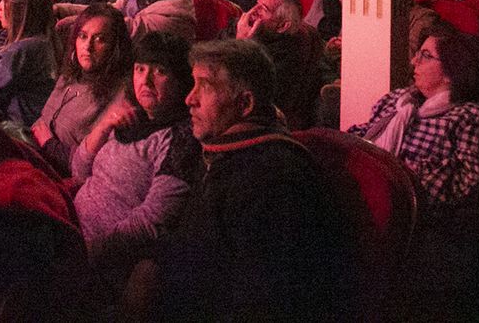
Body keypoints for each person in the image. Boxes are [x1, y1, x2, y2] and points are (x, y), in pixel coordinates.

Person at [147, 38, 345, 323]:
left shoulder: (275, 180)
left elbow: (264, 302)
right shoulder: (223, 152)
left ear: (246, 103)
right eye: (193, 84)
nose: (190, 99)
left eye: (205, 86)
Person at [70, 29, 200, 274]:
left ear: (181, 80)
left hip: (100, 256)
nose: (146, 81)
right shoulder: (132, 118)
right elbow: (78, 171)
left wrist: (90, 250)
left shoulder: (181, 138)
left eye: (160, 71)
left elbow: (153, 221)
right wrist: (103, 127)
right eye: (140, 69)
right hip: (71, 224)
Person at [347, 25, 479, 209]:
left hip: (402, 206)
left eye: (425, 55)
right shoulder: (398, 100)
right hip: (361, 183)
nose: (413, 61)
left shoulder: (466, 117)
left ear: (451, 71)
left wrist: (401, 177)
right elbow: (366, 133)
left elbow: (469, 182)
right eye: (418, 53)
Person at [30, 3, 131, 174]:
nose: (88, 46)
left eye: (100, 39)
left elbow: (88, 165)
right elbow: (40, 122)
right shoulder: (71, 75)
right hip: (32, 155)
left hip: (55, 176)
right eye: (82, 36)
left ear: (115, 47)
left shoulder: (118, 95)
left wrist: (49, 144)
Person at [234, 0, 323, 129]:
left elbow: (238, 91)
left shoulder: (288, 56)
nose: (253, 11)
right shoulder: (245, 29)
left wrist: (242, 44)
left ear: (282, 26)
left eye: (264, 9)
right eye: (257, 3)